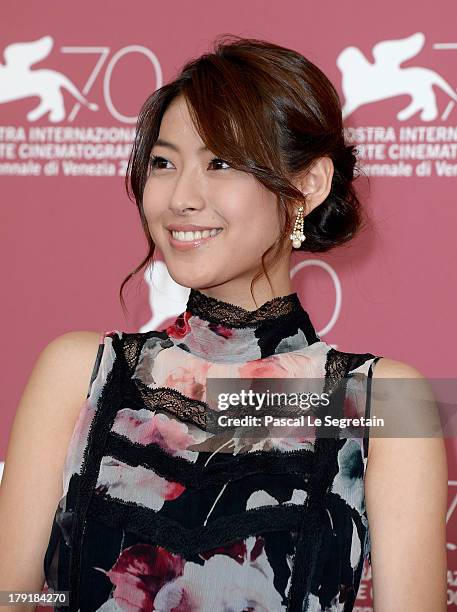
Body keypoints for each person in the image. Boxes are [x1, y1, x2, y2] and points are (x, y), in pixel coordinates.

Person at [0, 35, 448, 611]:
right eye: (163, 163)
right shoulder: (80, 371)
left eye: (220, 163)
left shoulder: (381, 397)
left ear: (307, 185)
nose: (181, 196)